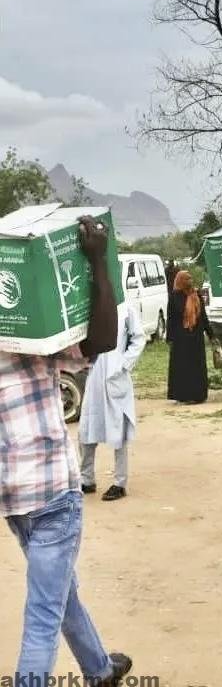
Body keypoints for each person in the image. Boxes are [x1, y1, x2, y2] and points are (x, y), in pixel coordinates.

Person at [1, 217, 132, 683]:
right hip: (53, 493)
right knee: (43, 611)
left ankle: (99, 669)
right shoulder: (29, 338)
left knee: (58, 589)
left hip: (12, 497)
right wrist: (97, 261)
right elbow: (103, 339)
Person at [79, 300, 147, 502]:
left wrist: (124, 364)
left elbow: (139, 338)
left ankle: (120, 483)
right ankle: (86, 479)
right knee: (86, 429)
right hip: (94, 374)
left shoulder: (125, 307)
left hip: (115, 375)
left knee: (119, 431)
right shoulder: (88, 304)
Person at [167, 270, 215, 404]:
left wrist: (211, 335)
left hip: (196, 338)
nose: (189, 281)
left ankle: (198, 395)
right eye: (186, 279)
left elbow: (203, 317)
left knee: (197, 367)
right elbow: (171, 319)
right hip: (180, 339)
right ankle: (182, 395)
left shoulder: (196, 295)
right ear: (180, 281)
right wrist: (170, 339)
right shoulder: (174, 296)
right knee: (182, 367)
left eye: (190, 279)